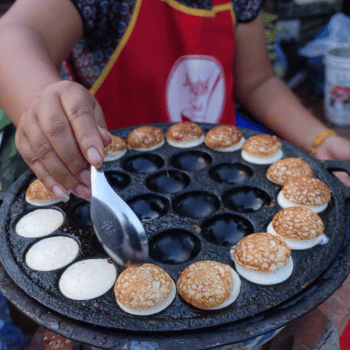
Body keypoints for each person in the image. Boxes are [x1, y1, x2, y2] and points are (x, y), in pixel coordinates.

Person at [0, 0, 349, 203]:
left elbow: (257, 81)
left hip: (217, 173)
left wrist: (321, 139)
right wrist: (42, 99)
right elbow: (13, 35)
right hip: (116, 182)